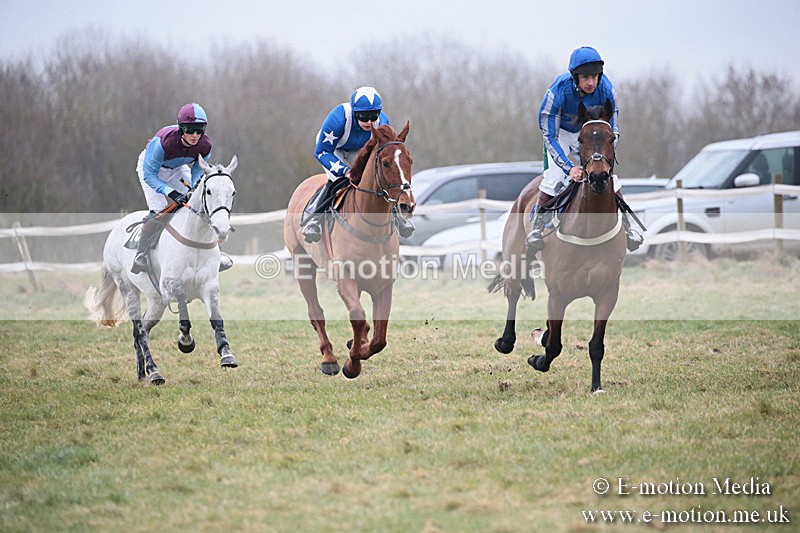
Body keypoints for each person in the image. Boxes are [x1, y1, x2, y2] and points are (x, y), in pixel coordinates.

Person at [526, 46, 643, 254]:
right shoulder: (557, 92)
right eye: (585, 77)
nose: (591, 82)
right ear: (575, 77)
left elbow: (613, 130)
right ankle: (536, 228)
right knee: (553, 179)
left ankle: (628, 228)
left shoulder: (607, 90)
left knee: (609, 177)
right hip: (559, 134)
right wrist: (570, 168)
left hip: (590, 134)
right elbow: (549, 136)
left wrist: (602, 160)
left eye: (595, 77)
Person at [301, 86, 415, 243]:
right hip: (334, 150)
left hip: (359, 150)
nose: (369, 121)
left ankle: (398, 218)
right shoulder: (338, 118)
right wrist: (344, 170)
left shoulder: (383, 122)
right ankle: (315, 218)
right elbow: (321, 152)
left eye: (373, 115)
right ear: (354, 112)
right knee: (337, 180)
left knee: (375, 180)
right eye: (363, 116)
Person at [131, 102, 230, 274]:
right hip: (152, 170)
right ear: (180, 128)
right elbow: (150, 175)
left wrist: (194, 188)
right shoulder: (163, 142)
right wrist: (171, 192)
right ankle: (141, 254)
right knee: (160, 209)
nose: (194, 135)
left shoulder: (205, 145)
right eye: (190, 129)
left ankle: (215, 253)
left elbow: (198, 170)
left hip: (177, 169)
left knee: (197, 205)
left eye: (199, 130)